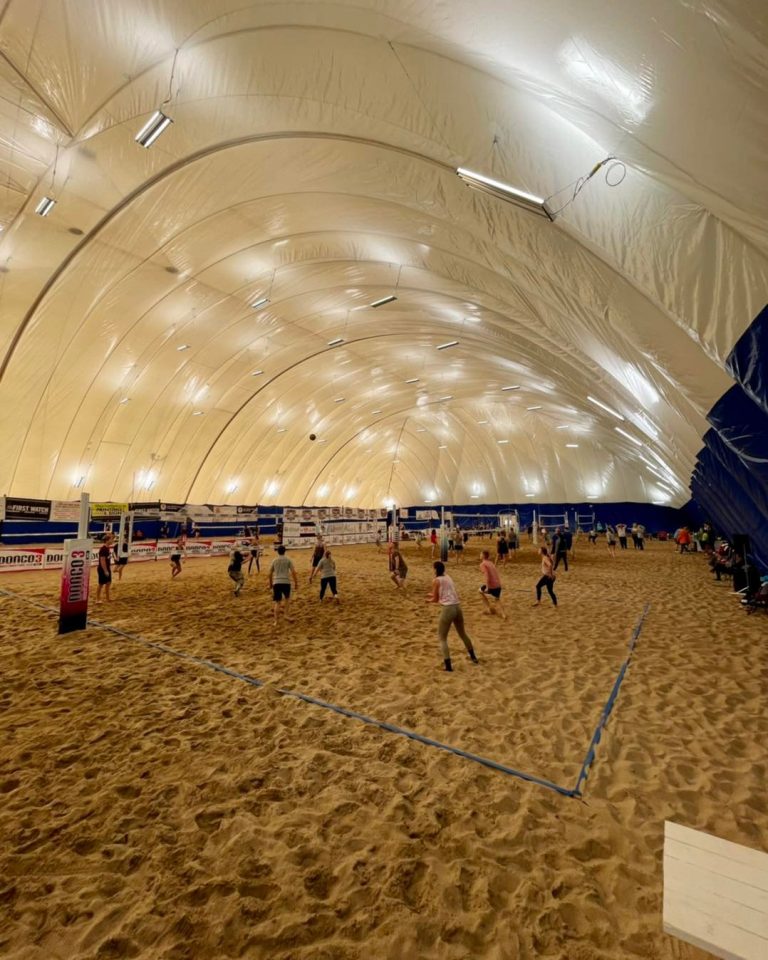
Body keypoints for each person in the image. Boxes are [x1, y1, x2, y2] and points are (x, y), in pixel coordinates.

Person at [426, 561, 479, 672]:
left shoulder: (436, 580)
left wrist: (428, 600)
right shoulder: (448, 577)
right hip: (457, 607)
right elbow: (444, 592)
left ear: (435, 569)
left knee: (442, 637)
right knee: (463, 634)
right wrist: (432, 595)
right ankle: (473, 657)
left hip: (448, 609)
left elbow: (435, 599)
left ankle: (448, 666)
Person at [269, 545, 298, 626]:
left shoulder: (274, 560)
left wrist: (270, 584)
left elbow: (270, 573)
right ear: (285, 551)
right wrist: (296, 583)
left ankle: (276, 621)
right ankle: (286, 615)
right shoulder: (288, 560)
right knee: (287, 599)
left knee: (277, 602)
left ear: (277, 551)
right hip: (286, 582)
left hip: (276, 582)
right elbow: (293, 572)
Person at [478, 550, 506, 619]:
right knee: (497, 599)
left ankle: (489, 609)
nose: (480, 555)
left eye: (481, 554)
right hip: (498, 584)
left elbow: (487, 575)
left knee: (480, 591)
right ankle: (503, 614)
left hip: (492, 585)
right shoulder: (490, 563)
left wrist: (487, 587)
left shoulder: (483, 564)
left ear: (483, 556)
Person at [97, 533, 114, 602]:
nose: (112, 541)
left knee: (108, 583)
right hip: (102, 569)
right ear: (107, 540)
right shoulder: (103, 549)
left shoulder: (107, 548)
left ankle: (107, 598)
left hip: (107, 568)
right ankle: (97, 599)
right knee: (101, 584)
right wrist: (105, 570)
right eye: (111, 539)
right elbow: (102, 561)